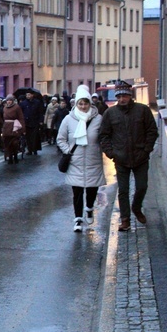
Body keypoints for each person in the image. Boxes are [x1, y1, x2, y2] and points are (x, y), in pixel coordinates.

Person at [99, 81, 158, 232]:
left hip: (141, 157)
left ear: (130, 96)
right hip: (121, 158)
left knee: (142, 186)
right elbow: (103, 135)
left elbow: (152, 131)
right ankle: (125, 219)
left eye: (124, 96)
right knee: (123, 190)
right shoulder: (110, 113)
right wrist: (111, 153)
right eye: (119, 96)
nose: (122, 99)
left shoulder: (142, 110)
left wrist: (146, 150)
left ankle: (136, 207)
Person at [56, 93, 106, 232]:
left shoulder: (98, 119)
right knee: (77, 191)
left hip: (93, 160)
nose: (83, 107)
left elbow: (104, 137)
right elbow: (60, 138)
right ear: (76, 104)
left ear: (90, 104)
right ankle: (78, 219)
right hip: (75, 160)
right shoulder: (68, 119)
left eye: (85, 103)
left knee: (92, 189)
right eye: (80, 104)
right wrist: (68, 151)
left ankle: (89, 208)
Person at [2, 94, 25, 163]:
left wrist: (22, 129)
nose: (9, 102)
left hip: (14, 126)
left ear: (12, 101)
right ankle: (10, 157)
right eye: (7, 100)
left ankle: (15, 155)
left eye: (10, 100)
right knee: (7, 143)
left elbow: (21, 118)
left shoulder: (17, 107)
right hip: (6, 127)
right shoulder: (5, 108)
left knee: (15, 143)